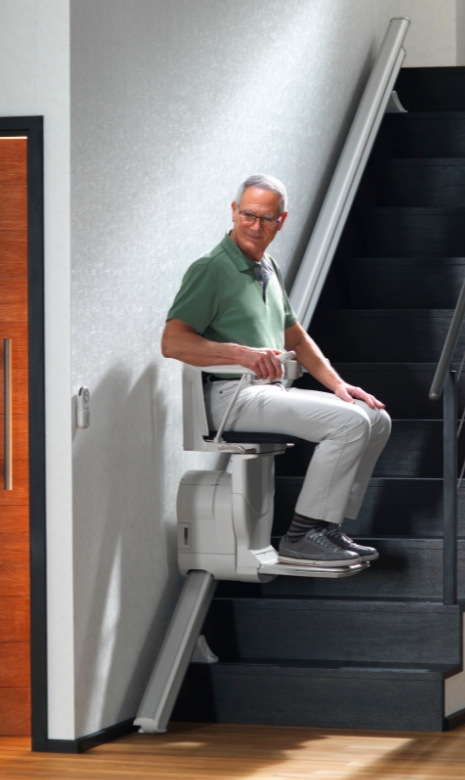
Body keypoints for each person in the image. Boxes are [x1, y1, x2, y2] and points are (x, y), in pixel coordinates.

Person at [161, 174, 391, 565]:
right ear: (234, 212)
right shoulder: (211, 269)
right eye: (249, 215)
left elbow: (297, 340)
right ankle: (304, 534)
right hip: (229, 396)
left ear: (281, 221)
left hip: (266, 392)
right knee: (349, 425)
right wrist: (241, 353)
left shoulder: (267, 266)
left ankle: (327, 526)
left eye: (267, 219)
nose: (256, 226)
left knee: (375, 417)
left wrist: (339, 386)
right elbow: (173, 342)